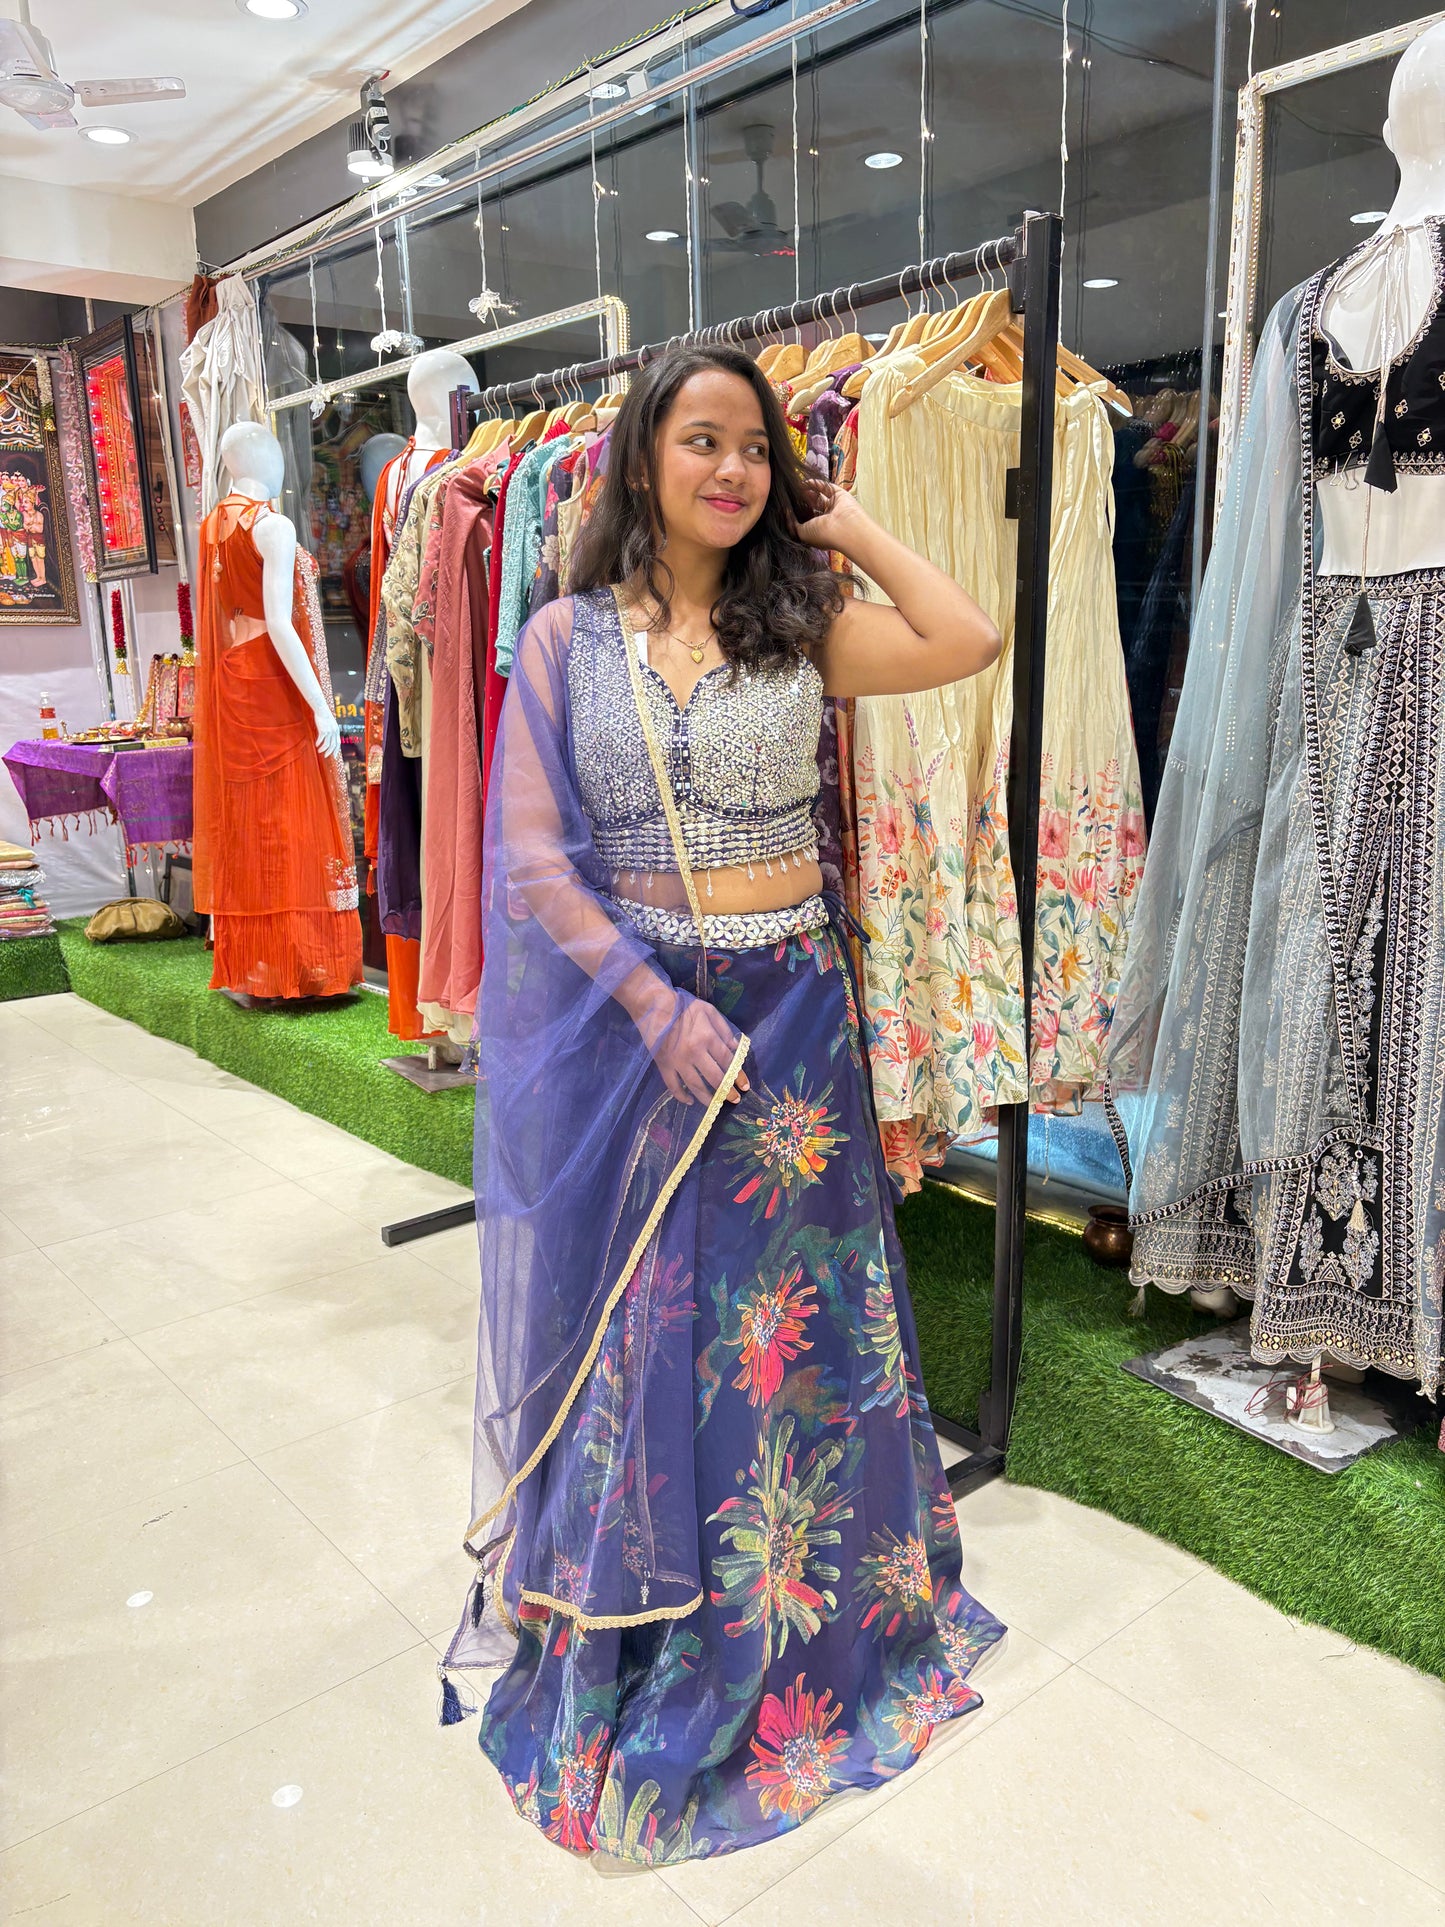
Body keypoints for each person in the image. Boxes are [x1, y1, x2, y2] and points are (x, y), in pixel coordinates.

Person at [442, 343, 1006, 1864]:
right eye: (702, 443)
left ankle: (818, 1634)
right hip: (644, 1028)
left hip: (791, 1032)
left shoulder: (797, 620)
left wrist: (844, 521)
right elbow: (536, 862)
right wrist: (652, 1004)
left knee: (796, 1333)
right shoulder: (563, 635)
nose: (730, 471)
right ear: (640, 461)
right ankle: (648, 1640)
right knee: (650, 1326)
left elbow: (965, 636)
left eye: (753, 450)